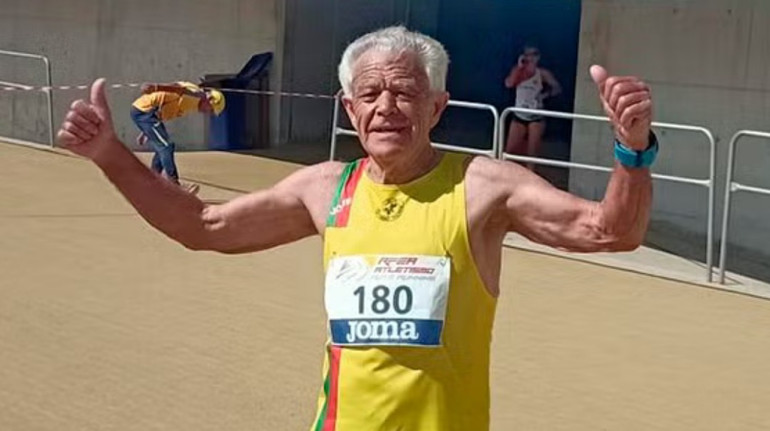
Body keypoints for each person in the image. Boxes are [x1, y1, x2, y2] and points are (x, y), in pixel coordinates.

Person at [56, 26, 656, 431]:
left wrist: (631, 150)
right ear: (349, 109)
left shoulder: (483, 187)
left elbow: (609, 231)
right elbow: (204, 225)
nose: (385, 107)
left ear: (437, 107)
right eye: (369, 93)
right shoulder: (325, 189)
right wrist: (110, 153)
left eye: (404, 92)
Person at [131, 81, 226, 194]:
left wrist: (145, 132)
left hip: (150, 115)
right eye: (211, 109)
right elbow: (177, 87)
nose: (207, 113)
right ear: (210, 100)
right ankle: (174, 184)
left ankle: (152, 183)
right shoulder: (197, 94)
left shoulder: (192, 103)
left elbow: (165, 109)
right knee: (166, 147)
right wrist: (155, 87)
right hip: (145, 111)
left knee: (163, 148)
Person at [504, 46, 562, 164]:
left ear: (538, 57)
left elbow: (557, 88)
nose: (530, 57)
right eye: (527, 54)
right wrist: (519, 68)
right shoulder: (518, 70)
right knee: (509, 152)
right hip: (519, 114)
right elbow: (509, 84)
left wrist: (544, 95)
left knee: (532, 154)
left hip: (536, 115)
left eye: (534, 54)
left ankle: (530, 172)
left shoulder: (542, 73)